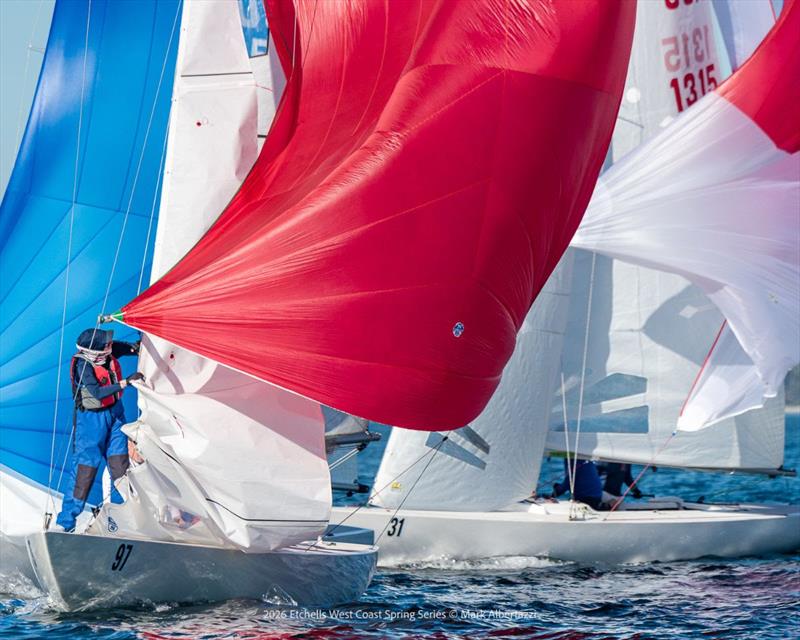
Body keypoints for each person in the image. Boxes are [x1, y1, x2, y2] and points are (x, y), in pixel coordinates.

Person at [55, 328, 144, 532]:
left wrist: (144, 343)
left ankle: (139, 516)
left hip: (115, 415)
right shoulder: (82, 365)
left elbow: (133, 348)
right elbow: (95, 392)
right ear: (94, 350)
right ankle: (65, 523)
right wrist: (126, 382)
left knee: (120, 466)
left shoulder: (109, 352)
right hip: (91, 421)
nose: (110, 345)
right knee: (85, 469)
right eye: (105, 344)